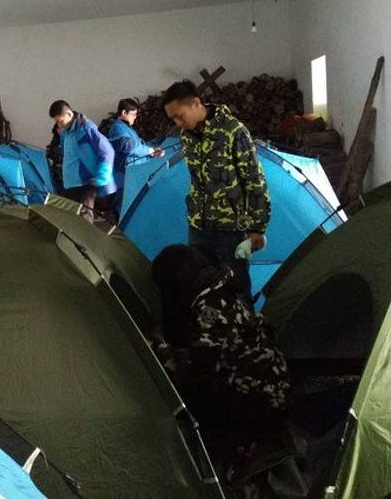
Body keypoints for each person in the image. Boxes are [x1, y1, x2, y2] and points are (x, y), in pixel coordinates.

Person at [151, 243, 290, 446]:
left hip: (257, 400)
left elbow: (198, 363)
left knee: (182, 385)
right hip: (273, 385)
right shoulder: (219, 287)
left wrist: (159, 350)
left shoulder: (210, 307)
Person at [162, 80, 270, 302]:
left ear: (196, 103)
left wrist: (257, 228)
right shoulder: (187, 137)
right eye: (173, 119)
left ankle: (245, 323)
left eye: (180, 116)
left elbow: (254, 180)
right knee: (200, 285)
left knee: (237, 288)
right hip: (198, 226)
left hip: (229, 228)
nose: (178, 123)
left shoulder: (233, 131)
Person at [49, 100, 116, 222]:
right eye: (57, 122)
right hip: (70, 185)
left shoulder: (86, 128)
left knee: (84, 220)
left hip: (86, 183)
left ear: (69, 114)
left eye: (60, 121)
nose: (59, 124)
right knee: (69, 220)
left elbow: (107, 151)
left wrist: (102, 176)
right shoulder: (66, 133)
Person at [108, 98, 164, 215]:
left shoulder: (126, 128)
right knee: (124, 206)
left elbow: (138, 146)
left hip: (130, 172)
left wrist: (153, 150)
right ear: (124, 113)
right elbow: (128, 146)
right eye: (133, 114)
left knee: (128, 205)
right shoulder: (118, 127)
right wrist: (150, 150)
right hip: (125, 174)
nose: (135, 117)